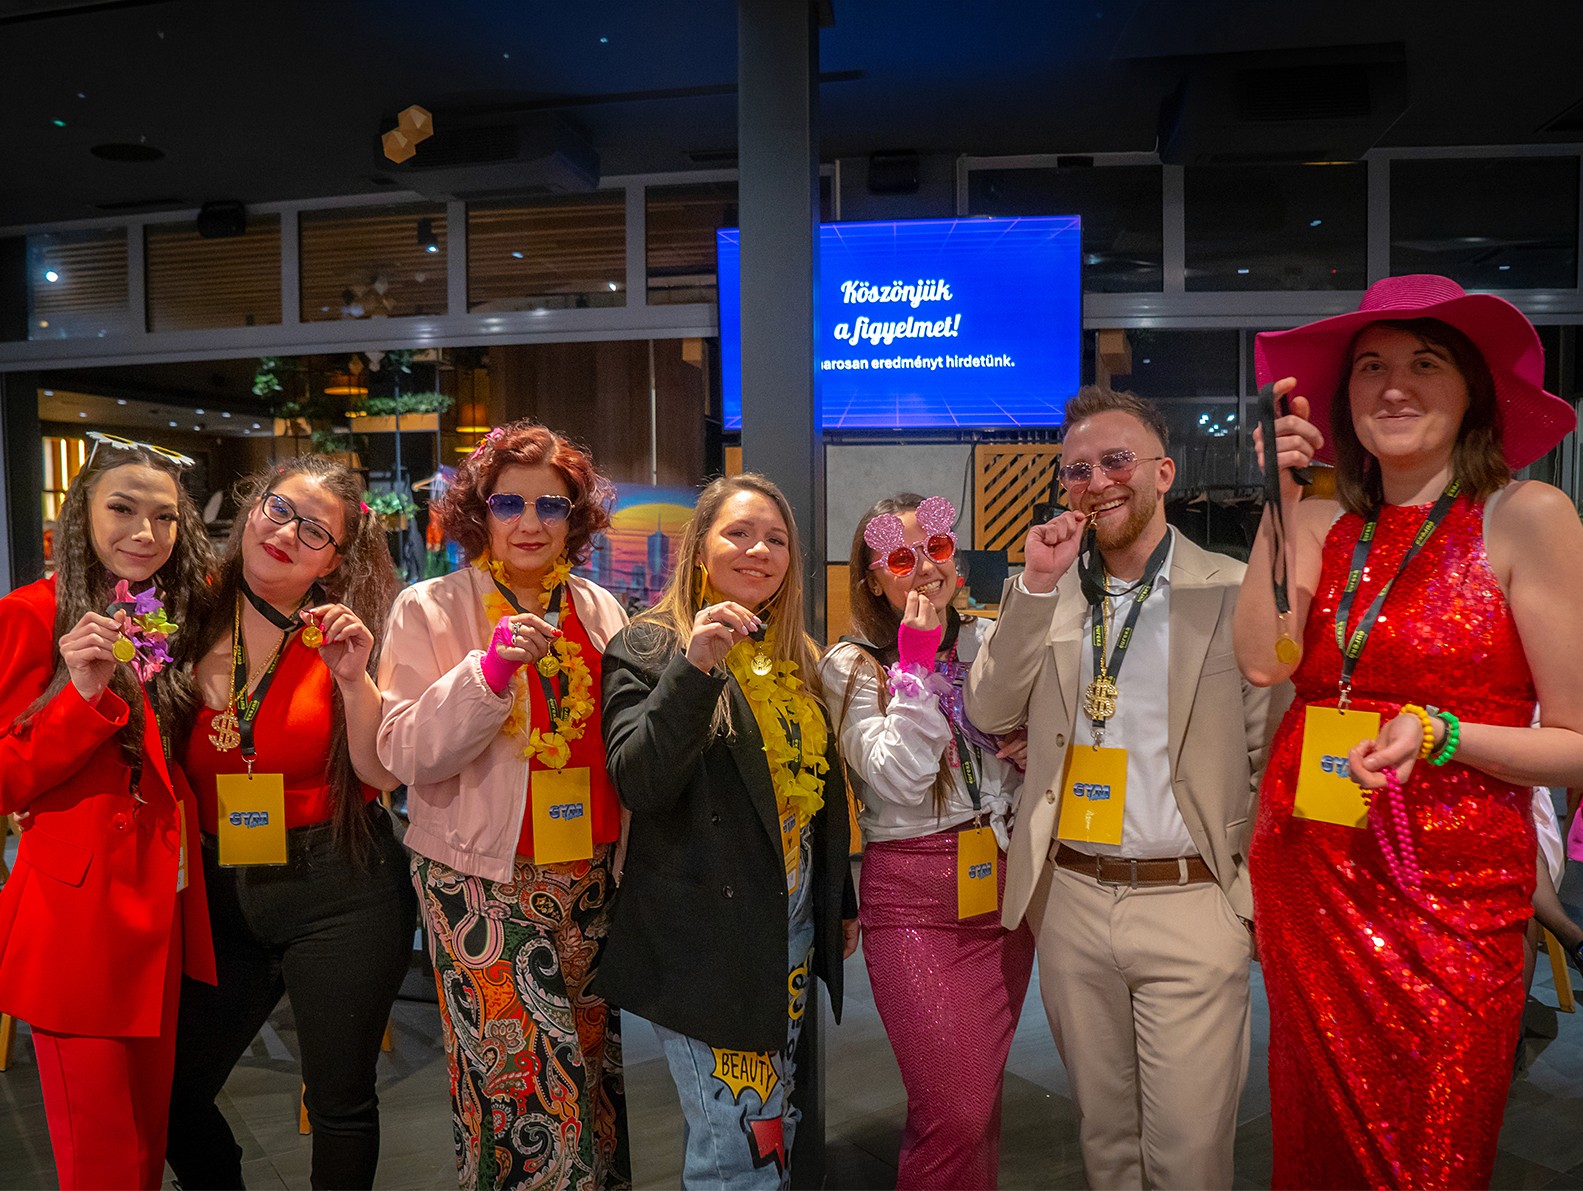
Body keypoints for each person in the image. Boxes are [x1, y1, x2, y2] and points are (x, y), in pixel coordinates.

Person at [1236, 274, 1583, 1188]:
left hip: (1452, 904)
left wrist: (1441, 732)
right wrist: (1275, 498)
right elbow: (1262, 661)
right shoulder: (1315, 519)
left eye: (1424, 363)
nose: (1393, 386)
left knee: (1427, 1160)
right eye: (1371, 366)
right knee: (1311, 1151)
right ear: (1341, 399)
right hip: (1309, 870)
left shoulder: (1526, 516)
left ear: (1470, 387)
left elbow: (1578, 741)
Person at [966, 386, 1277, 1190]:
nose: (1095, 480)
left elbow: (1264, 752)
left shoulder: (1229, 586)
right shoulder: (1047, 590)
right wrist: (1035, 586)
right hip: (1070, 896)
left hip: (1191, 898)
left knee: (1187, 1155)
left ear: (1163, 472)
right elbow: (989, 707)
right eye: (1076, 469)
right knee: (1103, 1141)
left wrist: (1242, 900)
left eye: (1115, 460)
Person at [378, 420, 630, 1191]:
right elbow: (401, 749)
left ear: (574, 517)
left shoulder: (599, 608)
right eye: (509, 502)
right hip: (479, 880)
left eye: (551, 506)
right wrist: (484, 675)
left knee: (585, 1066)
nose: (529, 522)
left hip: (589, 875)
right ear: (478, 512)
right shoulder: (430, 607)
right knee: (521, 1079)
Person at [596, 472, 857, 1189]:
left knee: (773, 1124)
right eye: (738, 533)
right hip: (706, 940)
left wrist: (841, 900)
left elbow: (814, 800)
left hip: (790, 924)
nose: (759, 550)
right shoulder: (647, 646)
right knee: (736, 1148)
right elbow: (640, 780)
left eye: (775, 538)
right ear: (700, 548)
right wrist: (696, 665)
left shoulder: (793, 653)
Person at [166, 454, 415, 1190]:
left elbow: (379, 774)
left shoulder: (347, 631)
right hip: (219, 890)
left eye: (315, 532)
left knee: (339, 1100)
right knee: (173, 1091)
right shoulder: (180, 610)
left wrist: (353, 674)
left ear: (335, 559)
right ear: (251, 505)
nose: (286, 535)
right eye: (279, 510)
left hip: (342, 886)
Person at [0, 432, 217, 1190]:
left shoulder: (169, 613)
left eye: (163, 517)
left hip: (159, 907)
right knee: (101, 1159)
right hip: (78, 922)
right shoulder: (31, 614)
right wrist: (81, 694)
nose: (144, 533)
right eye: (122, 509)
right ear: (79, 512)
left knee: (141, 1148)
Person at [821, 493, 1034, 1190]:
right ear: (874, 578)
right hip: (912, 901)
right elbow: (898, 777)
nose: (922, 569)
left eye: (935, 549)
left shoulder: (988, 640)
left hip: (1003, 893)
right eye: (901, 557)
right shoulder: (851, 666)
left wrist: (1037, 752)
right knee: (955, 1111)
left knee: (979, 1102)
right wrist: (912, 668)